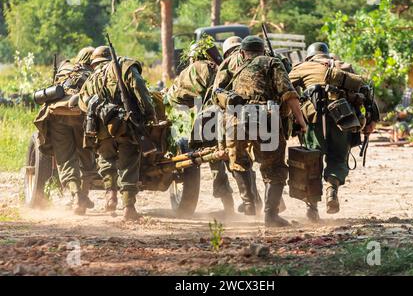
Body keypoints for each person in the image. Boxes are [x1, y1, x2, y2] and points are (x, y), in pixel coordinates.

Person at [215, 36, 307, 227]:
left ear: (242, 53)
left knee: (238, 162)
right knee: (274, 168)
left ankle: (249, 204)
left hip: (234, 119)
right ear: (263, 51)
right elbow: (288, 93)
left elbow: (216, 93)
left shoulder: (232, 66)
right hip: (265, 117)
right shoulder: (272, 62)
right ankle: (271, 216)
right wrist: (301, 121)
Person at [289, 43, 378, 221]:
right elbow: (365, 92)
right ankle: (332, 191)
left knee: (311, 161)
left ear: (310, 55)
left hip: (313, 121)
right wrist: (370, 120)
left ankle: (312, 208)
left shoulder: (303, 67)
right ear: (327, 54)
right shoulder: (343, 67)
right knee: (338, 158)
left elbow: (284, 88)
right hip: (342, 120)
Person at [78, 46, 158, 221]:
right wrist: (149, 113)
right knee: (129, 161)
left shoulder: (91, 79)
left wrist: (102, 111)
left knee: (106, 160)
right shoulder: (124, 66)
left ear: (95, 63)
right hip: (125, 125)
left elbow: (82, 103)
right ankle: (129, 207)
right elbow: (140, 89)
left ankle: (110, 195)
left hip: (100, 129)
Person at [166, 42, 235, 215]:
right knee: (236, 161)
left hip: (206, 122)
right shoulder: (221, 68)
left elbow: (173, 98)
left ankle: (229, 208)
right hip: (228, 118)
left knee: (215, 161)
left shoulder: (190, 71)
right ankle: (251, 204)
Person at [33, 47, 97, 215]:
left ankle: (77, 197)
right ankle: (82, 196)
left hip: (57, 115)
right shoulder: (95, 74)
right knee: (87, 155)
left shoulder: (66, 69)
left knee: (65, 158)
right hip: (81, 116)